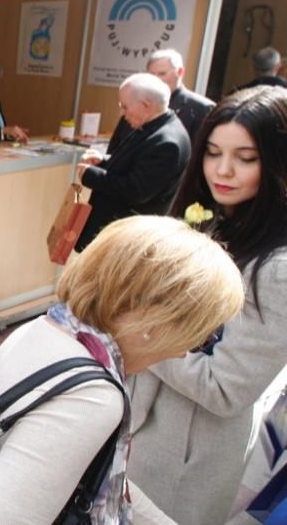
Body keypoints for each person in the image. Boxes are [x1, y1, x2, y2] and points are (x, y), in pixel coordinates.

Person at [0, 215, 243, 524]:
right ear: (155, 319)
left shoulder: (48, 328)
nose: (186, 350)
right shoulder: (93, 398)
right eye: (200, 334)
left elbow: (90, 476)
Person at [126, 86, 287, 525]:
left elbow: (223, 388)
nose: (224, 170)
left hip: (186, 459)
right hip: (147, 432)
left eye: (246, 158)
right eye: (213, 152)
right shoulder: (214, 218)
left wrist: (137, 334)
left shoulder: (276, 270)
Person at [74, 73, 190, 252]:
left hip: (127, 239)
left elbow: (135, 190)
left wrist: (91, 175)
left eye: (124, 106)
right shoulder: (152, 125)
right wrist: (104, 161)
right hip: (113, 231)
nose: (122, 112)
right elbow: (135, 164)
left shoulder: (168, 142)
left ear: (145, 105)